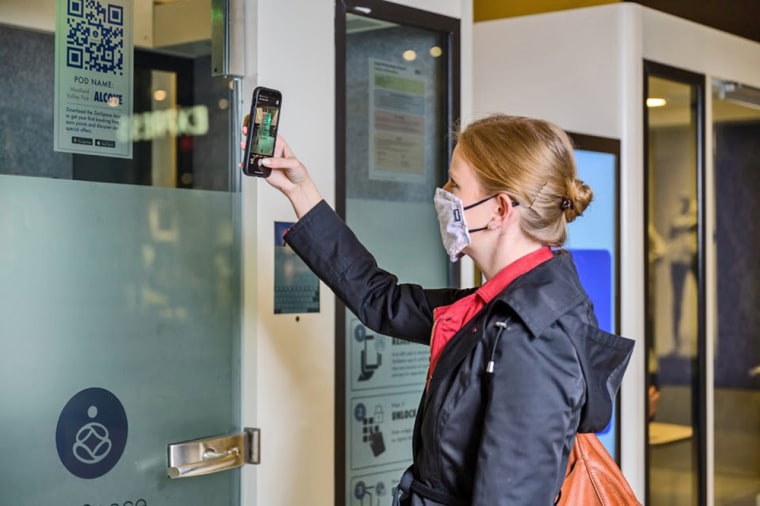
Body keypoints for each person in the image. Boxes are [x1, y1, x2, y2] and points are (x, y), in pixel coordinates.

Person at [245, 114, 634, 505]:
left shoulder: (536, 334)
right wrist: (300, 191)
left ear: (499, 210)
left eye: (455, 184)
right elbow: (383, 301)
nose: (443, 193)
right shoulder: (499, 304)